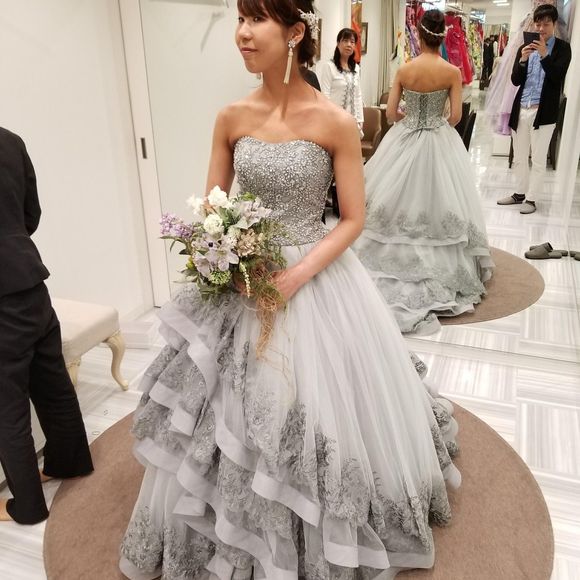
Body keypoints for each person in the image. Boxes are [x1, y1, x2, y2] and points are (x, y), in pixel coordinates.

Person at [119, 0, 460, 578]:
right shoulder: (231, 116)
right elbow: (215, 206)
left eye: (256, 19)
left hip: (314, 276)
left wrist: (297, 276)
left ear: (296, 31)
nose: (242, 33)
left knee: (318, 407)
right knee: (224, 404)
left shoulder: (333, 121)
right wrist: (218, 254)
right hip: (242, 278)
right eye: (240, 19)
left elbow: (353, 218)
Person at [353, 9, 494, 335]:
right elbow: (456, 117)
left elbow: (391, 113)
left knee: (390, 201)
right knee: (440, 200)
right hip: (438, 138)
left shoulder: (405, 69)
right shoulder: (451, 72)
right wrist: (435, 121)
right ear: (443, 36)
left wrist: (411, 120)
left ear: (418, 34)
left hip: (403, 139)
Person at [0, 127, 93, 525]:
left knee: (7, 408)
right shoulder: (9, 140)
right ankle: (70, 463)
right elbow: (31, 215)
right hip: (30, 279)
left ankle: (27, 507)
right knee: (53, 383)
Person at [497, 3, 571, 215]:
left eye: (546, 24)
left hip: (543, 113)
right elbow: (515, 80)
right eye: (538, 24)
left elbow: (557, 77)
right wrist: (522, 60)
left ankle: (532, 198)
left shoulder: (563, 49)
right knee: (519, 157)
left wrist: (545, 55)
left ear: (554, 24)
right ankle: (520, 193)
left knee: (538, 160)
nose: (541, 28)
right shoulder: (525, 47)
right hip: (521, 108)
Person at [318, 28, 364, 136]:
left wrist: (360, 119)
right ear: (338, 43)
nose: (349, 45)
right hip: (334, 120)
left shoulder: (356, 68)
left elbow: (358, 95)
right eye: (345, 41)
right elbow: (325, 96)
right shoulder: (329, 67)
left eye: (352, 42)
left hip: (353, 121)